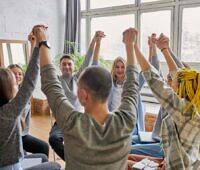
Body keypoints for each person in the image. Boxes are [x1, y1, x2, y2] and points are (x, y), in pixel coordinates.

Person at [34, 25, 139, 169]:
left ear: (83, 95)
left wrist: (42, 42)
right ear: (108, 91)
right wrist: (130, 45)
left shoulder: (72, 122)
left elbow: (49, 83)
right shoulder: (126, 120)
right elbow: (132, 86)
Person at [133, 29, 200, 169]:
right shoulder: (194, 109)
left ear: (182, 86)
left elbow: (154, 78)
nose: (171, 79)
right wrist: (165, 49)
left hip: (176, 166)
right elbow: (180, 74)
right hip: (183, 163)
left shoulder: (184, 111)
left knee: (125, 158)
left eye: (174, 79)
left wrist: (133, 46)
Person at [0, 29, 60, 170]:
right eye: (14, 82)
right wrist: (41, 44)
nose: (17, 82)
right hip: (12, 166)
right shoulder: (8, 111)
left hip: (12, 160)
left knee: (43, 157)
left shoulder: (7, 108)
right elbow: (31, 79)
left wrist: (34, 45)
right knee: (55, 166)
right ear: (6, 89)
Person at [48, 31, 104, 160]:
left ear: (73, 66)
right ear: (60, 66)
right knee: (53, 139)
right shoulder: (56, 80)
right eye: (64, 64)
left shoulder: (78, 78)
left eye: (69, 64)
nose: (67, 66)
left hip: (80, 120)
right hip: (62, 122)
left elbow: (87, 60)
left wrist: (94, 41)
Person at [7, 33, 49, 157]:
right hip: (11, 138)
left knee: (43, 147)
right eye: (14, 74)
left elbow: (31, 70)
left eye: (20, 74)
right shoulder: (6, 95)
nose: (17, 76)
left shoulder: (22, 91)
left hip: (23, 134)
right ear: (7, 76)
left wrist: (33, 45)